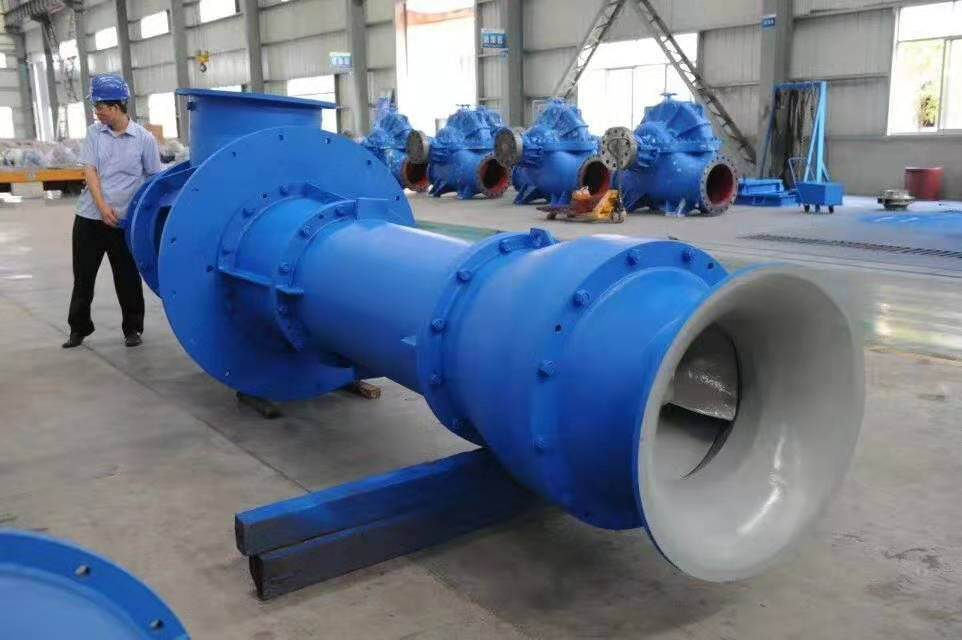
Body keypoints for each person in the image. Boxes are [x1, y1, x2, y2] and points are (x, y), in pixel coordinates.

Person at [63, 75, 162, 349]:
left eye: (100, 107)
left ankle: (133, 329)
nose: (97, 112)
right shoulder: (94, 134)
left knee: (127, 276)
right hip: (90, 218)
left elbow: (153, 179)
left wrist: (142, 218)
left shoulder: (144, 139)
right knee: (84, 276)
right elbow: (90, 171)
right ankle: (78, 329)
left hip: (123, 223)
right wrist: (103, 207)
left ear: (116, 106)